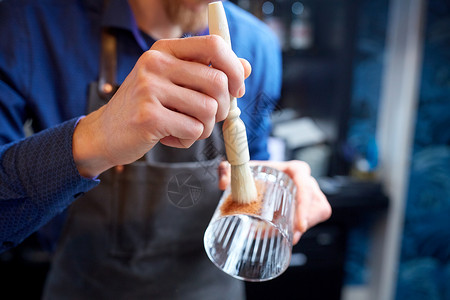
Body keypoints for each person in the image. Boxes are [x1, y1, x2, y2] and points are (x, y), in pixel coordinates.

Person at [0, 0, 331, 299]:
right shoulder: (28, 25)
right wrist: (96, 136)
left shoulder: (257, 44)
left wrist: (269, 194)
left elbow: (247, 164)